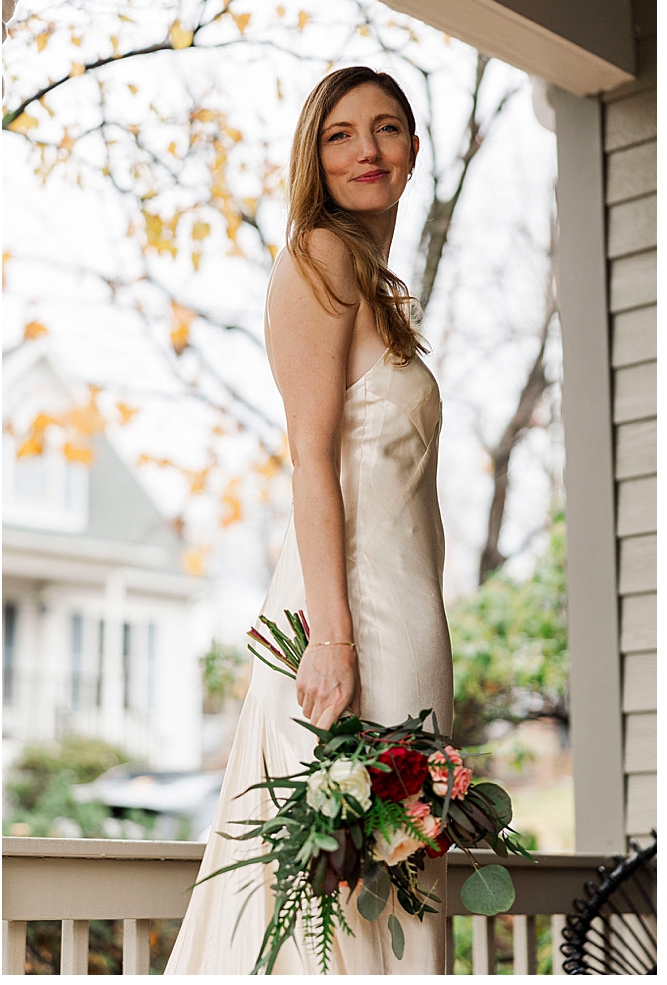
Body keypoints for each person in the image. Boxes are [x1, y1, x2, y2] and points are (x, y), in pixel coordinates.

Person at [167, 65, 451, 975]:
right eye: (340, 134)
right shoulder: (317, 260)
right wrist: (331, 640)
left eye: (387, 128)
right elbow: (311, 457)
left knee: (401, 876)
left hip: (409, 621)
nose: (367, 149)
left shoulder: (382, 286)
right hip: (345, 620)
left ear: (411, 151)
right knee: (335, 891)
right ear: (314, 159)